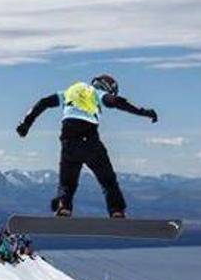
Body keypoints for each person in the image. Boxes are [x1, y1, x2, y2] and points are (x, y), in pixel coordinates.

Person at [15, 74, 158, 218]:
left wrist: (26, 123)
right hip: (88, 137)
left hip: (68, 139)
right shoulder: (96, 92)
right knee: (107, 180)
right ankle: (117, 211)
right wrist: (144, 112)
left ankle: (64, 206)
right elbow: (116, 102)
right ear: (107, 87)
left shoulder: (69, 91)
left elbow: (43, 102)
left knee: (67, 182)